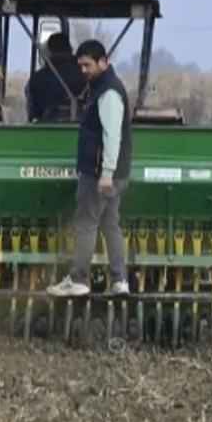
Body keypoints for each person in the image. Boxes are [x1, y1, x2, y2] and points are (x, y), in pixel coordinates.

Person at [47, 39, 132, 297]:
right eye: (80, 65)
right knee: (110, 225)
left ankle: (79, 279)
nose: (83, 70)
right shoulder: (102, 88)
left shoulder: (108, 93)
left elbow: (112, 135)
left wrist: (105, 173)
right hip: (112, 173)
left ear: (103, 61)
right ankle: (120, 281)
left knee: (85, 223)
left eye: (88, 65)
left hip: (99, 174)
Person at [24, 32, 85, 122]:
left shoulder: (37, 79)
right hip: (86, 129)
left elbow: (32, 113)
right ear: (71, 49)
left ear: (49, 52)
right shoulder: (87, 75)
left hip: (47, 130)